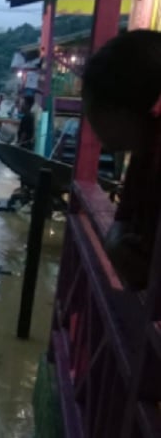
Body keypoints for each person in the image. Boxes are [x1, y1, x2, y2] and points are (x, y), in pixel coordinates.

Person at [81, 29, 161, 291]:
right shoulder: (143, 154)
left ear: (118, 110)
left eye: (92, 106)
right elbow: (121, 222)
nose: (90, 121)